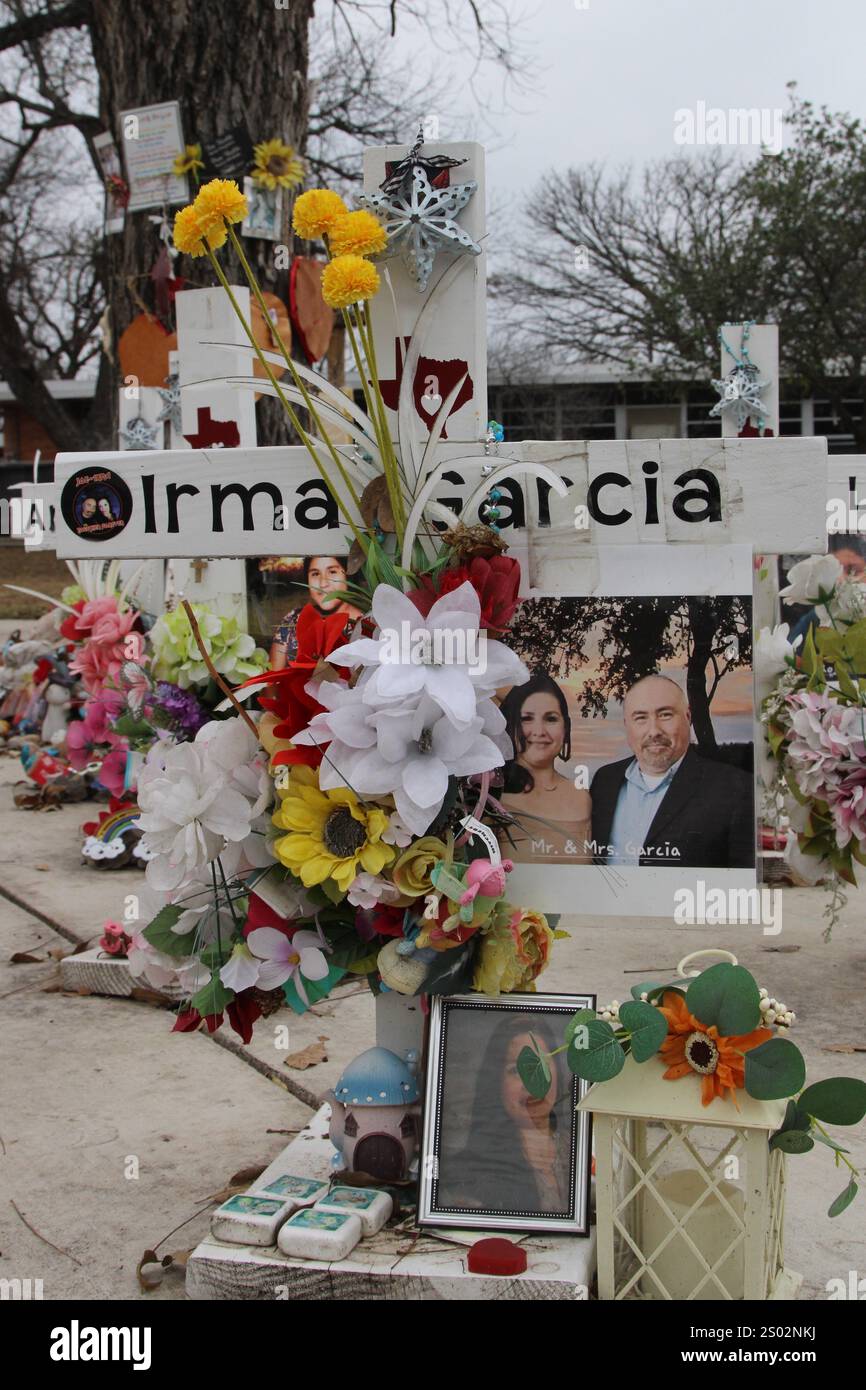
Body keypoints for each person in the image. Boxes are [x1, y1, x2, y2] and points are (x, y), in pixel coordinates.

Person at [590, 673, 754, 868]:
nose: (654, 731)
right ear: (627, 726)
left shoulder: (735, 788)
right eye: (640, 718)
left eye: (665, 714)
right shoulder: (604, 781)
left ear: (688, 717)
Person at [437, 1014, 573, 1215]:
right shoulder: (471, 1172)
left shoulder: (577, 1152)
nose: (531, 1081)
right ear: (496, 1084)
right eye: (516, 1070)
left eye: (541, 1064)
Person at [499, 672, 591, 861]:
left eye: (551, 719)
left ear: (565, 728)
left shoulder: (582, 797)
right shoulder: (490, 797)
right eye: (526, 718)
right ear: (510, 725)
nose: (539, 731)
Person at [269, 555, 362, 669]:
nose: (323, 583)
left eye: (332, 572)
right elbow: (272, 682)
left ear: (348, 575)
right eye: (315, 574)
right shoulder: (292, 620)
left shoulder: (366, 625)